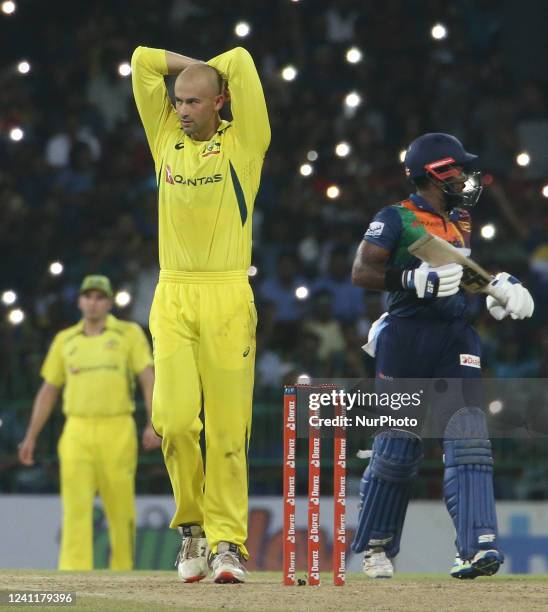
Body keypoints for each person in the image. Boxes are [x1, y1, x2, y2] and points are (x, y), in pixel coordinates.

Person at [350, 133, 534, 579]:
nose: (467, 178)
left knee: (469, 438)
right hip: (405, 338)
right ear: (433, 173)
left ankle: (477, 546)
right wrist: (412, 280)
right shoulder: (396, 217)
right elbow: (362, 272)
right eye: (458, 169)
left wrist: (494, 287)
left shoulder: (462, 219)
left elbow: (458, 273)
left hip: (453, 338)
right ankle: (376, 545)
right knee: (398, 447)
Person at [131, 43, 270, 584]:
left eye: (195, 100)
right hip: (173, 295)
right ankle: (191, 528)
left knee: (229, 432)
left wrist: (209, 71)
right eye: (179, 100)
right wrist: (192, 69)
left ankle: (227, 544)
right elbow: (142, 60)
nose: (183, 109)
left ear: (221, 103)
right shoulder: (163, 136)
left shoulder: (246, 144)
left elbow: (239, 58)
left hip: (229, 296)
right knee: (173, 421)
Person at [18, 275, 158, 570]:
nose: (93, 303)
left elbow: (148, 377)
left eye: (99, 297)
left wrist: (153, 422)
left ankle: (124, 573)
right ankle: (72, 575)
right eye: (88, 297)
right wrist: (31, 436)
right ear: (80, 301)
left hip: (117, 427)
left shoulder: (129, 334)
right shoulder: (64, 340)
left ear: (109, 302)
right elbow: (49, 389)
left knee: (121, 507)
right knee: (75, 508)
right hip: (77, 429)